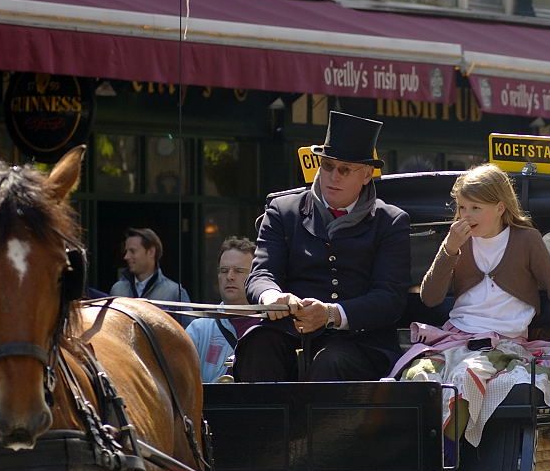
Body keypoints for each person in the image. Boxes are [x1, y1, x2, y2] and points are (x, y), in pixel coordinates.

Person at [390, 163, 550, 447]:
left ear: (500, 208)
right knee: (417, 376)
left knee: (466, 377)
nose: (466, 215)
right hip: (455, 338)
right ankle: (411, 458)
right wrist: (449, 249)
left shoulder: (527, 240)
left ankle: (447, 457)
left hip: (505, 343)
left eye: (476, 208)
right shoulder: (458, 242)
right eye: (462, 207)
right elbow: (430, 298)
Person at [234, 111, 411, 382]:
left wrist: (331, 314)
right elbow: (261, 274)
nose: (333, 176)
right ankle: (259, 426)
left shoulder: (390, 221)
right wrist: (272, 297)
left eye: (344, 170)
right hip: (288, 332)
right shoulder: (283, 210)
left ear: (365, 175)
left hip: (359, 342)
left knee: (331, 362)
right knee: (257, 345)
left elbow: (389, 298)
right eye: (327, 166)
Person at [185, 237, 259, 383]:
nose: (229, 277)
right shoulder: (198, 330)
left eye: (238, 271)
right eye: (224, 271)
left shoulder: (270, 327)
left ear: (256, 276)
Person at [109, 227, 191, 325]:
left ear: (151, 252)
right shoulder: (118, 290)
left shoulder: (175, 293)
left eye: (132, 251)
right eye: (126, 251)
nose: (126, 257)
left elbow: (189, 336)